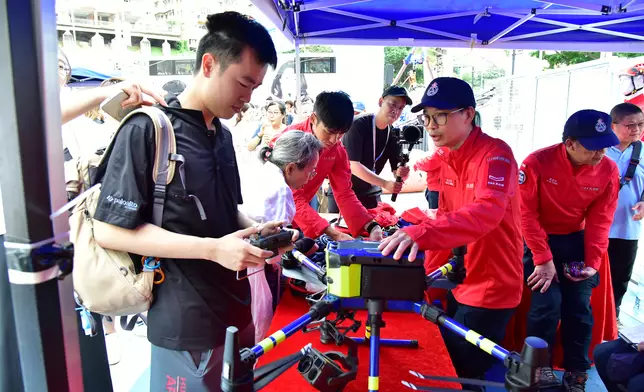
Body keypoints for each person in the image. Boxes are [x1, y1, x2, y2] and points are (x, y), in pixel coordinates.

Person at [90, 12, 288, 391]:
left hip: (236, 309)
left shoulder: (224, 137)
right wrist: (212, 250)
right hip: (185, 319)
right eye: (244, 82)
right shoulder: (148, 129)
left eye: (255, 87)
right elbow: (109, 230)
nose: (248, 97)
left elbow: (224, 211)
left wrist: (256, 231)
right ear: (209, 64)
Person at [378, 77, 524, 390]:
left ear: (468, 114)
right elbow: (444, 212)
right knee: (446, 359)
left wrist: (421, 233)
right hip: (461, 275)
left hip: (491, 284)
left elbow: (487, 211)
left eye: (440, 116)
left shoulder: (495, 156)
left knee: (463, 371)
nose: (431, 125)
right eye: (427, 117)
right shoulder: (446, 155)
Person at [519, 109, 620, 392]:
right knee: (546, 306)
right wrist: (542, 258)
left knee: (579, 307)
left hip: (576, 243)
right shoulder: (537, 163)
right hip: (539, 241)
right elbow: (527, 214)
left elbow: (601, 219)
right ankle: (539, 368)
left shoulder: (608, 170)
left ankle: (576, 370)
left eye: (604, 146)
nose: (600, 154)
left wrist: (592, 262)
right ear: (570, 143)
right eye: (592, 147)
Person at [242, 131, 323, 342]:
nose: (310, 178)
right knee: (263, 323)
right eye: (310, 172)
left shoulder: (262, 171)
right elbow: (271, 252)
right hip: (258, 266)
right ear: (290, 167)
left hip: (244, 258)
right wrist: (293, 241)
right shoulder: (280, 189)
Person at [275, 91, 383, 242]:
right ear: (313, 119)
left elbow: (344, 193)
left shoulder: (337, 151)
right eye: (329, 132)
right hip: (271, 217)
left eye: (341, 134)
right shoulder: (289, 139)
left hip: (300, 219)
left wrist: (371, 226)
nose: (334, 140)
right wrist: (332, 233)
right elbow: (289, 195)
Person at [331, 86, 412, 212]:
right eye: (393, 104)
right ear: (381, 102)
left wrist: (404, 174)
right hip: (344, 191)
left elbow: (397, 171)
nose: (396, 111)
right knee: (342, 230)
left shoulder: (393, 133)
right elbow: (353, 165)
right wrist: (385, 184)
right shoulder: (358, 124)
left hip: (371, 193)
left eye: (401, 108)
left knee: (378, 228)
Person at [606, 103, 644, 322]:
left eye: (640, 124)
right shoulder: (597, 150)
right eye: (630, 125)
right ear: (613, 126)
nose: (637, 129)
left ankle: (613, 319)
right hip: (592, 229)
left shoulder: (642, 151)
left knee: (619, 279)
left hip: (627, 229)